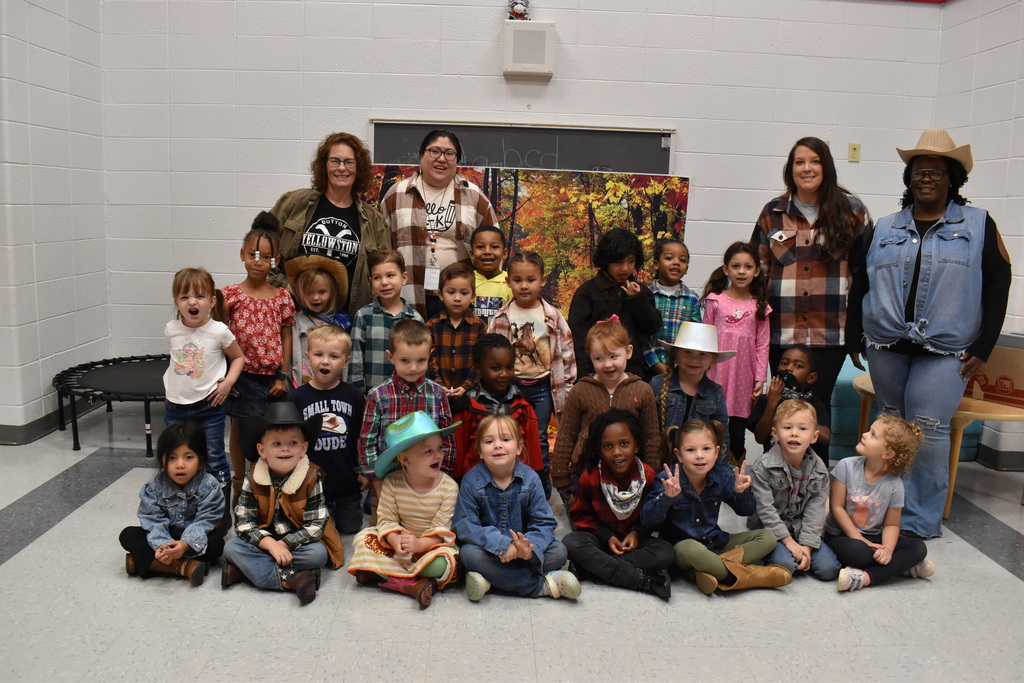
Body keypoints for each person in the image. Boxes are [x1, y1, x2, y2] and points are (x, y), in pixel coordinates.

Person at [847, 129, 1012, 540]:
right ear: (909, 178)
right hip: (887, 346)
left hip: (946, 350)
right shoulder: (882, 228)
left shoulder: (978, 225)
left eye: (937, 172)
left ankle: (917, 522)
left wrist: (985, 344)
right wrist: (855, 335)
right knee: (889, 428)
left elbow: (998, 280)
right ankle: (880, 513)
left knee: (927, 427)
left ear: (953, 178)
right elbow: (859, 283)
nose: (927, 179)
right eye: (919, 172)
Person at [751, 136, 873, 461]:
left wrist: (857, 335)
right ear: (790, 169)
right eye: (800, 162)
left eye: (815, 161)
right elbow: (757, 274)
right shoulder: (772, 213)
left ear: (827, 167)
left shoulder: (853, 211)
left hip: (829, 335)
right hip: (782, 334)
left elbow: (864, 277)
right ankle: (775, 483)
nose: (807, 168)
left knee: (816, 413)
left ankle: (814, 487)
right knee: (781, 408)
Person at [640, 419, 791, 595]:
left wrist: (741, 493)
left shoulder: (722, 476)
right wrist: (667, 497)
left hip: (714, 542)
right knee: (691, 548)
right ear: (679, 455)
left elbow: (747, 511)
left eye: (706, 449)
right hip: (682, 549)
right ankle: (746, 577)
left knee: (768, 537)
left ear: (716, 452)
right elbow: (647, 521)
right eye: (690, 450)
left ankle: (704, 570)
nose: (699, 455)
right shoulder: (668, 479)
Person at [222, 403, 345, 606]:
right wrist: (270, 544)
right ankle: (293, 579)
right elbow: (244, 522)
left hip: (297, 543)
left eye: (293, 443)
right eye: (276, 444)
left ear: (303, 448)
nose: (285, 449)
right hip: (264, 541)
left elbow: (316, 525)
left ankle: (246, 570)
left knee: (318, 554)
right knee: (231, 547)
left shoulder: (311, 476)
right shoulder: (253, 476)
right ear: (262, 450)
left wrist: (284, 545)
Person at [454, 415, 581, 601]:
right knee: (468, 554)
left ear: (519, 447)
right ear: (480, 451)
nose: (498, 445)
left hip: (523, 552)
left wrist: (528, 548)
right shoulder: (471, 481)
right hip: (489, 551)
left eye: (506, 439)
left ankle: (491, 578)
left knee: (559, 551)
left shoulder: (530, 479)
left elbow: (544, 523)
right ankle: (539, 586)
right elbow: (465, 525)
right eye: (489, 441)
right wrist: (501, 544)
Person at [381, 129, 499, 319]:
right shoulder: (397, 194)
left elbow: (494, 248)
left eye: (449, 153)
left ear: (457, 160)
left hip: (458, 300)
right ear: (421, 155)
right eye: (434, 151)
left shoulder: (474, 196)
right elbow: (382, 249)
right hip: (408, 296)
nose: (441, 159)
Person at [347, 412, 461, 609]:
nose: (438, 455)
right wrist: (395, 539)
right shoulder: (393, 482)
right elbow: (386, 519)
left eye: (440, 448)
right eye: (428, 451)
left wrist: (418, 545)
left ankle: (384, 574)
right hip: (399, 547)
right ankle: (413, 583)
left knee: (445, 563)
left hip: (429, 548)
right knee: (362, 539)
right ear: (405, 459)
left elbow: (442, 530)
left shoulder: (448, 487)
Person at [488, 251, 576, 500]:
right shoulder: (501, 317)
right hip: (512, 387)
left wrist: (568, 384)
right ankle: (510, 487)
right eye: (517, 280)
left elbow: (567, 350)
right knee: (510, 436)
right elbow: (491, 353)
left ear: (542, 280)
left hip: (542, 388)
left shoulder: (552, 315)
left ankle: (540, 492)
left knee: (538, 439)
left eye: (530, 279)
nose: (524, 286)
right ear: (508, 281)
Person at [271, 131, 390, 314]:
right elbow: (260, 246)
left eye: (349, 162)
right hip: (290, 316)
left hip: (345, 324)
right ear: (324, 165)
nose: (341, 168)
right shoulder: (295, 203)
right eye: (335, 161)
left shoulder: (374, 221)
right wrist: (283, 285)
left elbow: (384, 273)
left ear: (359, 168)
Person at [222, 212, 296, 504]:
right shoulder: (229, 295)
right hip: (242, 376)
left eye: (265, 256)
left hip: (271, 380)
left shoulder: (281, 298)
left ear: (274, 260)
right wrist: (227, 377)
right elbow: (220, 336)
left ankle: (262, 484)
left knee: (268, 433)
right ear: (242, 254)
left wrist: (282, 374)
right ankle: (238, 484)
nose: (258, 261)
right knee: (240, 429)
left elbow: (287, 336)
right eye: (252, 254)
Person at [562, 410, 674, 600]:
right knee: (571, 543)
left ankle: (592, 570)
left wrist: (637, 533)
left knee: (666, 553)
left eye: (624, 444)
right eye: (608, 446)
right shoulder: (590, 477)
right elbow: (580, 516)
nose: (617, 452)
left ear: (636, 446)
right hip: (601, 542)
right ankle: (643, 581)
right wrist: (606, 537)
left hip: (634, 545)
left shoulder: (647, 476)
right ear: (599, 450)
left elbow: (653, 517)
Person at [552, 317, 660, 510]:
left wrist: (651, 473)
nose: (607, 365)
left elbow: (651, 436)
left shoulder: (642, 390)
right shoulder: (580, 390)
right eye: (599, 359)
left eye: (613, 356)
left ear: (628, 352)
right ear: (589, 357)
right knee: (586, 526)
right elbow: (566, 435)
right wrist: (560, 474)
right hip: (587, 472)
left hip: (629, 476)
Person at [825, 416, 934, 592]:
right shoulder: (846, 466)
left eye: (873, 434)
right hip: (841, 535)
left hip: (873, 537)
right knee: (859, 553)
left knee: (918, 548)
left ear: (888, 453)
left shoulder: (895, 484)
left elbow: (891, 524)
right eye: (869, 430)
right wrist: (859, 539)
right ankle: (901, 566)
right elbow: (836, 508)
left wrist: (889, 550)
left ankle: (866, 577)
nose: (865, 434)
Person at [162, 267, 244, 491]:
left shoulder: (219, 331)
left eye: (199, 296)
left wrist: (228, 383)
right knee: (178, 458)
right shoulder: (171, 329)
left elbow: (238, 358)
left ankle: (219, 512)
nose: (192, 302)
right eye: (185, 297)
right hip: (175, 407)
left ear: (212, 300)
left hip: (209, 407)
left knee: (214, 459)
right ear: (177, 302)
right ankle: (184, 504)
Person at [359, 320, 456, 501]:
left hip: (429, 482)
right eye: (405, 360)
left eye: (421, 360)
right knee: (385, 527)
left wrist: (443, 475)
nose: (413, 368)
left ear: (430, 355)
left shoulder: (438, 393)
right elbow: (367, 443)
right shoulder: (377, 395)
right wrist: (376, 480)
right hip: (387, 481)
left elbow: (447, 439)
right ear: (390, 356)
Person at [119, 422, 226, 587]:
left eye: (188, 457)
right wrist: (162, 545)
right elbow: (151, 519)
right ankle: (185, 567)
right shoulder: (153, 487)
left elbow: (206, 520)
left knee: (217, 544)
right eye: (172, 457)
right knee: (128, 535)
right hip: (164, 538)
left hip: (192, 540)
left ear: (200, 459)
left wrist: (185, 544)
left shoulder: (210, 486)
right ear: (162, 460)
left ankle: (144, 563)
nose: (180, 464)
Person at [747, 399, 840, 581]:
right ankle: (780, 553)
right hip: (771, 530)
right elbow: (766, 511)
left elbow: (816, 510)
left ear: (814, 436)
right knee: (787, 565)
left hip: (801, 528)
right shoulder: (763, 467)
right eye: (787, 428)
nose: (795, 434)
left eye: (803, 429)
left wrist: (806, 546)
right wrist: (789, 543)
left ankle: (803, 551)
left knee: (829, 570)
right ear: (775, 433)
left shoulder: (819, 469)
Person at [288, 325, 365, 534]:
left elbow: (361, 437)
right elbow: (292, 442)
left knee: (351, 528)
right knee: (316, 531)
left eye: (334, 356)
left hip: (346, 481)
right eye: (318, 354)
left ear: (346, 361)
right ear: (307, 357)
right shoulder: (297, 398)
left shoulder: (354, 396)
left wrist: (364, 471)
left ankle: (339, 507)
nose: (325, 361)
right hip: (310, 484)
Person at [702, 241, 771, 463]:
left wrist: (760, 377)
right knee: (711, 426)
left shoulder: (759, 305)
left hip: (744, 377)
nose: (741, 272)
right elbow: (704, 338)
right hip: (716, 373)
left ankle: (735, 477)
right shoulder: (715, 301)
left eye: (748, 267)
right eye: (736, 266)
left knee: (737, 432)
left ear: (757, 271)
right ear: (726, 269)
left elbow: (763, 344)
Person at [568, 227, 662, 379]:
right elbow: (578, 339)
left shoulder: (641, 292)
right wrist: (585, 377)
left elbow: (652, 327)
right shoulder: (588, 292)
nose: (625, 268)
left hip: (634, 374)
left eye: (631, 261)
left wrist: (637, 300)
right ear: (606, 261)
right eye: (619, 262)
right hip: (596, 374)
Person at [451, 334, 544, 480]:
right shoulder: (466, 407)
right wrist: (458, 483)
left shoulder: (523, 404)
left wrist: (539, 479)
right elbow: (460, 450)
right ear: (477, 367)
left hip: (518, 482)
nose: (504, 374)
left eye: (509, 367)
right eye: (495, 368)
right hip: (476, 484)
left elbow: (533, 449)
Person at [649, 322, 732, 454]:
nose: (694, 359)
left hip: (700, 466)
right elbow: (649, 432)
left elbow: (722, 438)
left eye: (702, 354)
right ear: (676, 354)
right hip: (663, 464)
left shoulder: (715, 392)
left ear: (712, 359)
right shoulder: (657, 385)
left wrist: (719, 472)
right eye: (687, 352)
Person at [349, 249, 423, 393]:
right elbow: (355, 358)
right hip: (371, 395)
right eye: (377, 278)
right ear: (370, 281)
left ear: (404, 278)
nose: (384, 282)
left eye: (390, 275)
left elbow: (420, 359)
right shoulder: (364, 316)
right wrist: (358, 393)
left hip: (406, 396)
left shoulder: (415, 318)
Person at [747, 345, 831, 455]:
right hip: (772, 464)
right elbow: (760, 437)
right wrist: (772, 404)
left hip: (805, 464)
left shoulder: (814, 403)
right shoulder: (767, 399)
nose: (788, 368)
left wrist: (797, 404)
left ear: (811, 378)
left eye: (798, 366)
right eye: (784, 363)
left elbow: (825, 437)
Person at [285, 254, 352, 388]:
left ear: (331, 292)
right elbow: (294, 358)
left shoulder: (341, 322)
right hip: (304, 388)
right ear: (300, 292)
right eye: (309, 292)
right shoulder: (296, 322)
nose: (315, 298)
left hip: (335, 389)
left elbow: (346, 359)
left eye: (322, 292)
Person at [426, 261, 487, 399]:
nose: (457, 298)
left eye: (464, 293)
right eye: (451, 292)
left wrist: (467, 385)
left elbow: (482, 361)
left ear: (472, 297)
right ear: (441, 294)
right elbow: (429, 359)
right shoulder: (431, 326)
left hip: (471, 394)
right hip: (437, 394)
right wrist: (440, 386)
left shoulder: (480, 327)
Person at [643, 237, 701, 377]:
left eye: (682, 260)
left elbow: (694, 337)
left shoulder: (692, 298)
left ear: (686, 269)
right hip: (647, 368)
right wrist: (656, 364)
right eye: (669, 258)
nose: (676, 263)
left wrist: (680, 365)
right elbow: (640, 337)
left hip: (680, 371)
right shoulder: (645, 295)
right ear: (656, 264)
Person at [469, 224, 512, 326]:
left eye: (494, 247)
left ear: (504, 253)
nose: (487, 251)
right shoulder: (466, 280)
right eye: (480, 247)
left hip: (500, 340)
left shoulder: (510, 283)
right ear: (471, 253)